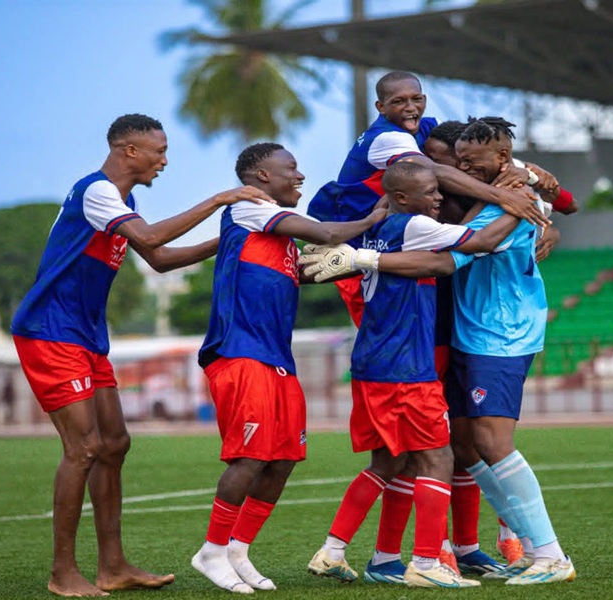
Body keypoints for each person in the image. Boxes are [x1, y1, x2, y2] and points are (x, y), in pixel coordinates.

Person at [10, 113, 275, 598]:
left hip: (85, 336)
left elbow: (158, 260)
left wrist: (233, 238)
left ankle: (113, 568)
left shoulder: (121, 200)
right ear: (128, 150)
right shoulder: (97, 192)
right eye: (159, 150)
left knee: (114, 445)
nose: (165, 160)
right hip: (49, 331)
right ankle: (62, 573)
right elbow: (152, 238)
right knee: (84, 448)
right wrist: (221, 199)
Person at [306, 117, 577, 586]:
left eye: (471, 162)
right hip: (453, 339)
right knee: (459, 448)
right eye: (459, 162)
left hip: (499, 333)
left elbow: (452, 257)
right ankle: (496, 551)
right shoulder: (477, 203)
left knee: (473, 446)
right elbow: (460, 239)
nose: (461, 170)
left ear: (502, 159)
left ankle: (536, 553)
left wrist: (531, 193)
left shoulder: (501, 203)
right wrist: (528, 189)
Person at [189, 142, 388, 593]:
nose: (300, 176)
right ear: (260, 176)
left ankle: (239, 549)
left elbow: (309, 265)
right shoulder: (251, 208)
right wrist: (372, 220)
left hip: (276, 358)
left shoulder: (277, 237)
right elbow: (326, 235)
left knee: (282, 460)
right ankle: (212, 550)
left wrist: (351, 267)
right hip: (240, 353)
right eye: (290, 168)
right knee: (251, 456)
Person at [307, 71, 550, 326]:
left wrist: (531, 177)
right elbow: (433, 171)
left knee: (432, 341)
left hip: (408, 248)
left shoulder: (427, 128)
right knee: (391, 339)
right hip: (363, 256)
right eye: (399, 102)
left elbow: (484, 152)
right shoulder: (386, 137)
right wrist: (504, 196)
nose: (411, 108)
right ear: (380, 107)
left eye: (416, 99)